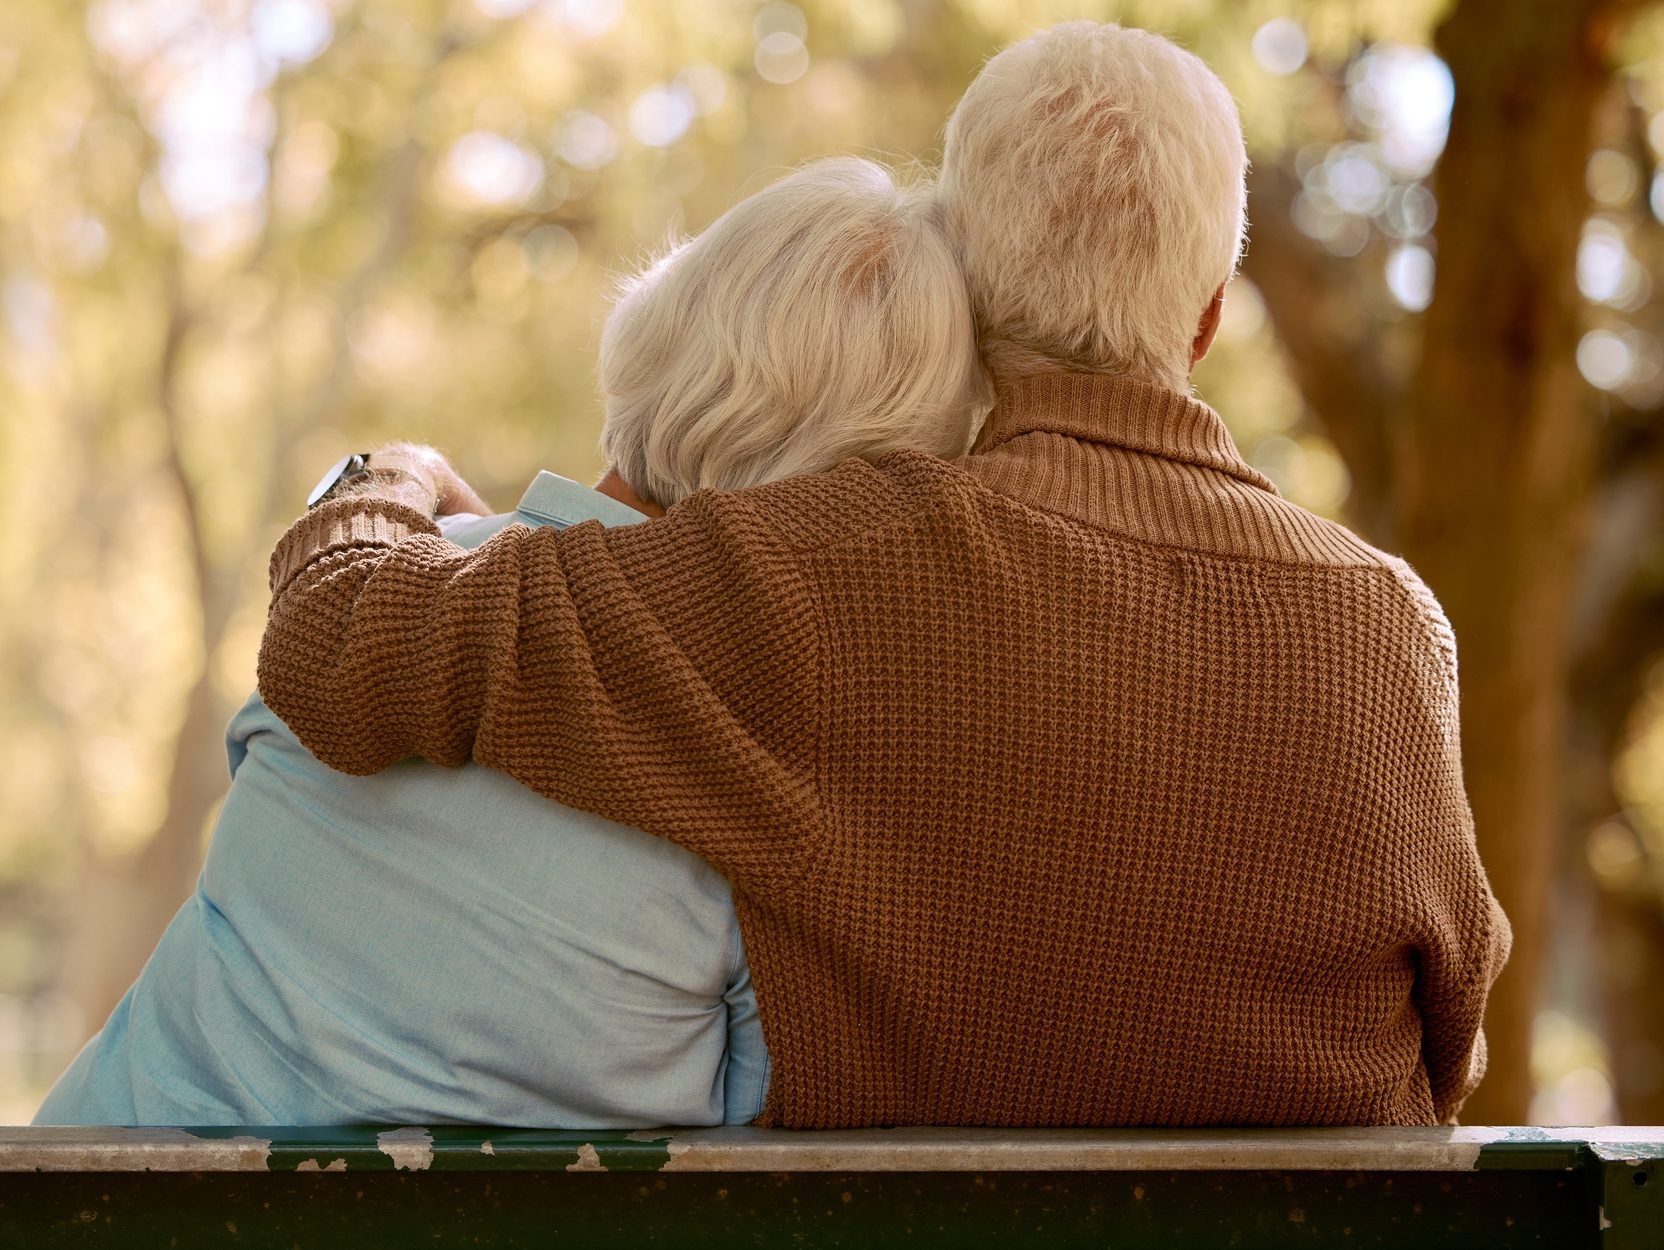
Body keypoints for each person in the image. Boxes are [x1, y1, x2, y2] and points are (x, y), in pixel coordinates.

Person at [257, 22, 1512, 1130]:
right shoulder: (1389, 628)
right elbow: (1449, 1042)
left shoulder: (824, 563)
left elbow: (340, 647)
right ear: (1204, 320)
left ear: (961, 283)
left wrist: (393, 474)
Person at [35, 158, 986, 1126]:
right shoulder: (775, 782)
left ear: (659, 335)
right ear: (869, 481)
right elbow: (745, 1106)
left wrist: (406, 485)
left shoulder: (364, 600)